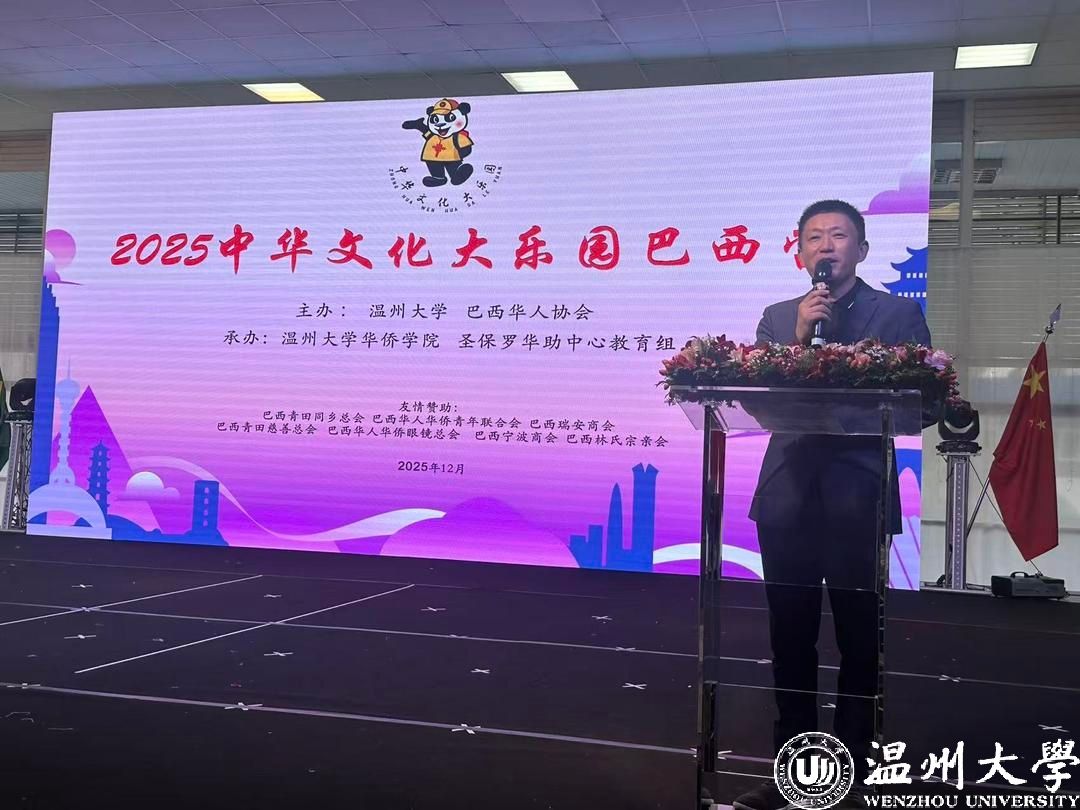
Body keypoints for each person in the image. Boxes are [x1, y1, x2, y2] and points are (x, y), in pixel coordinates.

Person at [733, 200, 931, 810]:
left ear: (861, 250)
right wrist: (797, 340)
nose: (826, 246)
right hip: (788, 497)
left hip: (858, 496)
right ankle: (795, 771)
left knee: (858, 641)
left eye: (838, 235)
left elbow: (924, 401)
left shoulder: (897, 314)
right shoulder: (777, 318)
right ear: (799, 253)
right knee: (790, 640)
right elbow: (758, 399)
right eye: (814, 237)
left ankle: (857, 769)